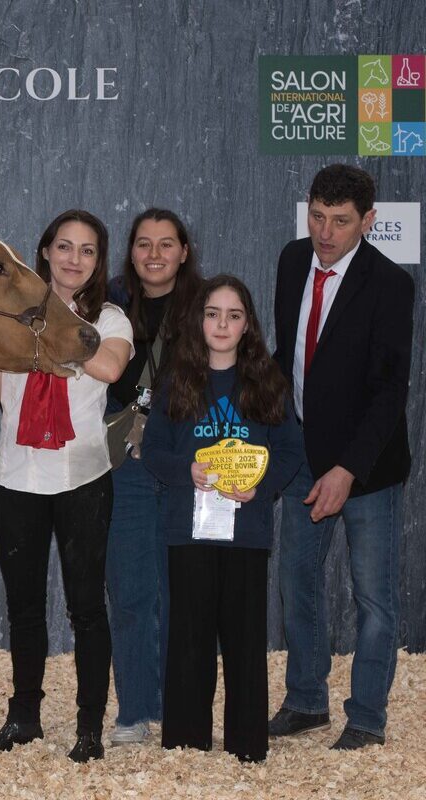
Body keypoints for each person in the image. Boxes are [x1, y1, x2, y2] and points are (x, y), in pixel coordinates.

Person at [0, 209, 133, 763]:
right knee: (24, 608)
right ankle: (23, 719)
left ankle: (89, 729)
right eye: (64, 247)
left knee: (85, 608)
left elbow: (110, 370)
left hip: (82, 478)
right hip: (19, 478)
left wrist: (53, 331)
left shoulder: (109, 317)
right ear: (46, 252)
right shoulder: (10, 316)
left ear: (98, 262)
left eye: (87, 250)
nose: (73, 258)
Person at [269, 164, 414, 750]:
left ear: (369, 222)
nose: (325, 233)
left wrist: (347, 470)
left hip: (368, 466)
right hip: (301, 448)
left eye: (341, 222)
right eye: (318, 217)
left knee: (373, 596)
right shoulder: (290, 259)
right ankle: (306, 700)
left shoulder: (390, 285)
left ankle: (368, 718)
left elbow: (390, 392)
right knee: (297, 581)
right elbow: (287, 358)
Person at [142, 275, 303, 763]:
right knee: (189, 637)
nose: (222, 324)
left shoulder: (267, 382)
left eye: (234, 315)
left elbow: (291, 450)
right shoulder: (176, 380)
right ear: (199, 319)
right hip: (188, 529)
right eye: (213, 313)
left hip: (247, 529)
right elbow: (152, 451)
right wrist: (187, 470)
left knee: (245, 639)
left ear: (248, 324)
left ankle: (246, 747)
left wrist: (262, 486)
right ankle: (187, 745)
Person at [103, 208, 202, 745]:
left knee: (183, 589)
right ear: (131, 251)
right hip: (126, 463)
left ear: (184, 251)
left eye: (167, 244)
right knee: (131, 588)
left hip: (191, 464)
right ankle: (134, 710)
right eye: (144, 243)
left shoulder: (211, 301)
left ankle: (179, 708)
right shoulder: (107, 300)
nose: (155, 254)